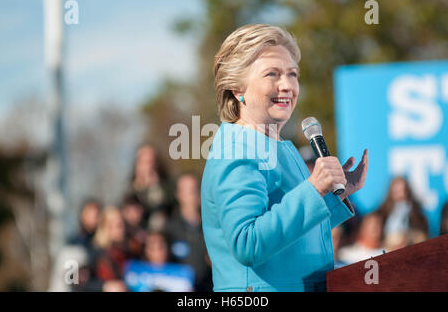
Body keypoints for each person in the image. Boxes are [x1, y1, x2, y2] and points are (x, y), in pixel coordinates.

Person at [201, 24, 368, 292]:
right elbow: (249, 243)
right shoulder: (237, 150)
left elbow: (292, 238)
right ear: (236, 87)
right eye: (272, 74)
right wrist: (314, 190)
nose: (287, 85)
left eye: (292, 74)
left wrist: (331, 195)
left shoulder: (273, 145)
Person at [166, 173, 213, 291]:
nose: (192, 195)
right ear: (178, 194)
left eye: (194, 190)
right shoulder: (168, 229)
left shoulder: (212, 227)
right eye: (186, 190)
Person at [125, 143, 174, 228]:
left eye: (151, 162)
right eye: (144, 162)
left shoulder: (168, 189)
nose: (149, 167)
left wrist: (155, 188)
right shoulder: (130, 192)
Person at [377, 176, 428, 251]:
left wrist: (407, 239)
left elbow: (422, 235)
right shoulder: (382, 213)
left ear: (407, 191)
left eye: (402, 190)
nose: (399, 194)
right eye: (396, 190)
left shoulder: (416, 214)